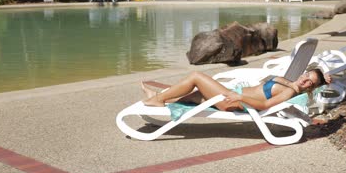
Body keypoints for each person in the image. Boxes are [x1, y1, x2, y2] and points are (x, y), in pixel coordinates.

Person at [141, 69, 331, 112]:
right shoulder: (291, 85)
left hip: (232, 102)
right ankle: (160, 97)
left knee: (196, 77)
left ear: (311, 88)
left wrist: (240, 96)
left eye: (309, 82)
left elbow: (265, 104)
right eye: (306, 75)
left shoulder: (289, 92)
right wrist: (326, 79)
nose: (304, 79)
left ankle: (157, 99)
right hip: (233, 96)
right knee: (197, 95)